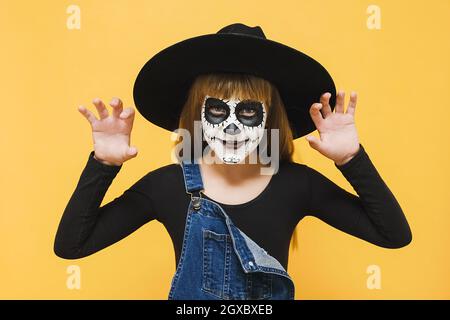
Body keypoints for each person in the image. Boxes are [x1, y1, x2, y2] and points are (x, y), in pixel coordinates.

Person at [54, 23, 412, 300]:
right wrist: (103, 164)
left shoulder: (298, 185)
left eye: (248, 111)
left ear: (269, 117)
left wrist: (352, 159)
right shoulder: (166, 186)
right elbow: (71, 245)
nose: (231, 125)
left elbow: (393, 235)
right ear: (199, 115)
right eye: (217, 109)